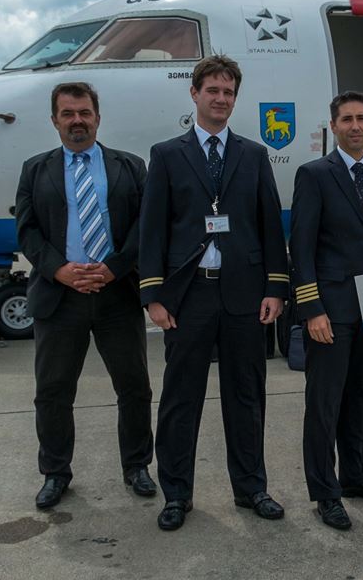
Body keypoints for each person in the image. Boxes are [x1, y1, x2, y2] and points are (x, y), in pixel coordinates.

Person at [139, 55, 289, 531]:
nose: (221, 99)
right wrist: (153, 295)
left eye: (228, 93)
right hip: (188, 297)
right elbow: (152, 229)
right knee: (180, 399)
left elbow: (270, 225)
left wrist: (276, 288)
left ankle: (251, 488)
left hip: (244, 295)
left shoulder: (254, 154)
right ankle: (176, 494)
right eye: (213, 91)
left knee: (246, 398)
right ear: (195, 94)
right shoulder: (167, 154)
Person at [15, 82, 155, 509]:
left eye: (84, 113)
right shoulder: (35, 170)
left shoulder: (129, 166)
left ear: (97, 117)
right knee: (53, 391)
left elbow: (145, 226)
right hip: (59, 297)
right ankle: (55, 472)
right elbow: (27, 230)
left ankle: (137, 466)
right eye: (68, 114)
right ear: (54, 120)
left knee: (134, 387)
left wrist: (114, 267)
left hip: (117, 294)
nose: (77, 121)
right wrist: (59, 270)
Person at [290, 91, 363, 531]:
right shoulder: (315, 174)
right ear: (333, 126)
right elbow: (301, 246)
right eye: (346, 119)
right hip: (331, 311)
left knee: (362, 397)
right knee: (324, 403)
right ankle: (325, 492)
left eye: (361, 118)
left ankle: (357, 477)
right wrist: (311, 308)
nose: (355, 126)